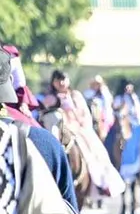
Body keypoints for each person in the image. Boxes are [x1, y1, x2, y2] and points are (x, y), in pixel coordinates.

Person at [42, 73, 124, 201]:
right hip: (55, 130)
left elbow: (85, 116)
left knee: (92, 152)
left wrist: (71, 110)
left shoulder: (76, 96)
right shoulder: (49, 98)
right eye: (58, 80)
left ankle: (100, 183)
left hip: (77, 129)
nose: (61, 83)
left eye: (63, 79)